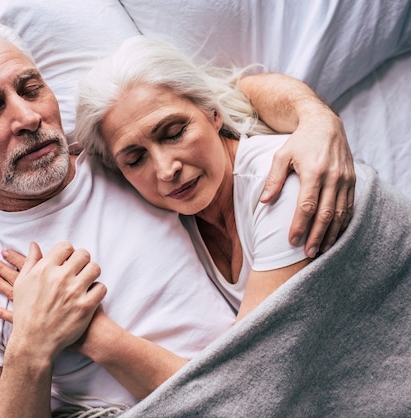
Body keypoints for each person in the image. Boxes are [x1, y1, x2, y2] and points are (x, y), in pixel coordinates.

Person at [0, 19, 354, 417]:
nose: (27, 117)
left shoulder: (128, 159)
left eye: (30, 88)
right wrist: (31, 348)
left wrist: (314, 117)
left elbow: (227, 91)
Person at [72, 35, 358, 319]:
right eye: (135, 159)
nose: (166, 169)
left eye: (174, 133)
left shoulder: (283, 182)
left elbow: (253, 357)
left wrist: (89, 330)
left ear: (213, 113)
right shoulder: (176, 224)